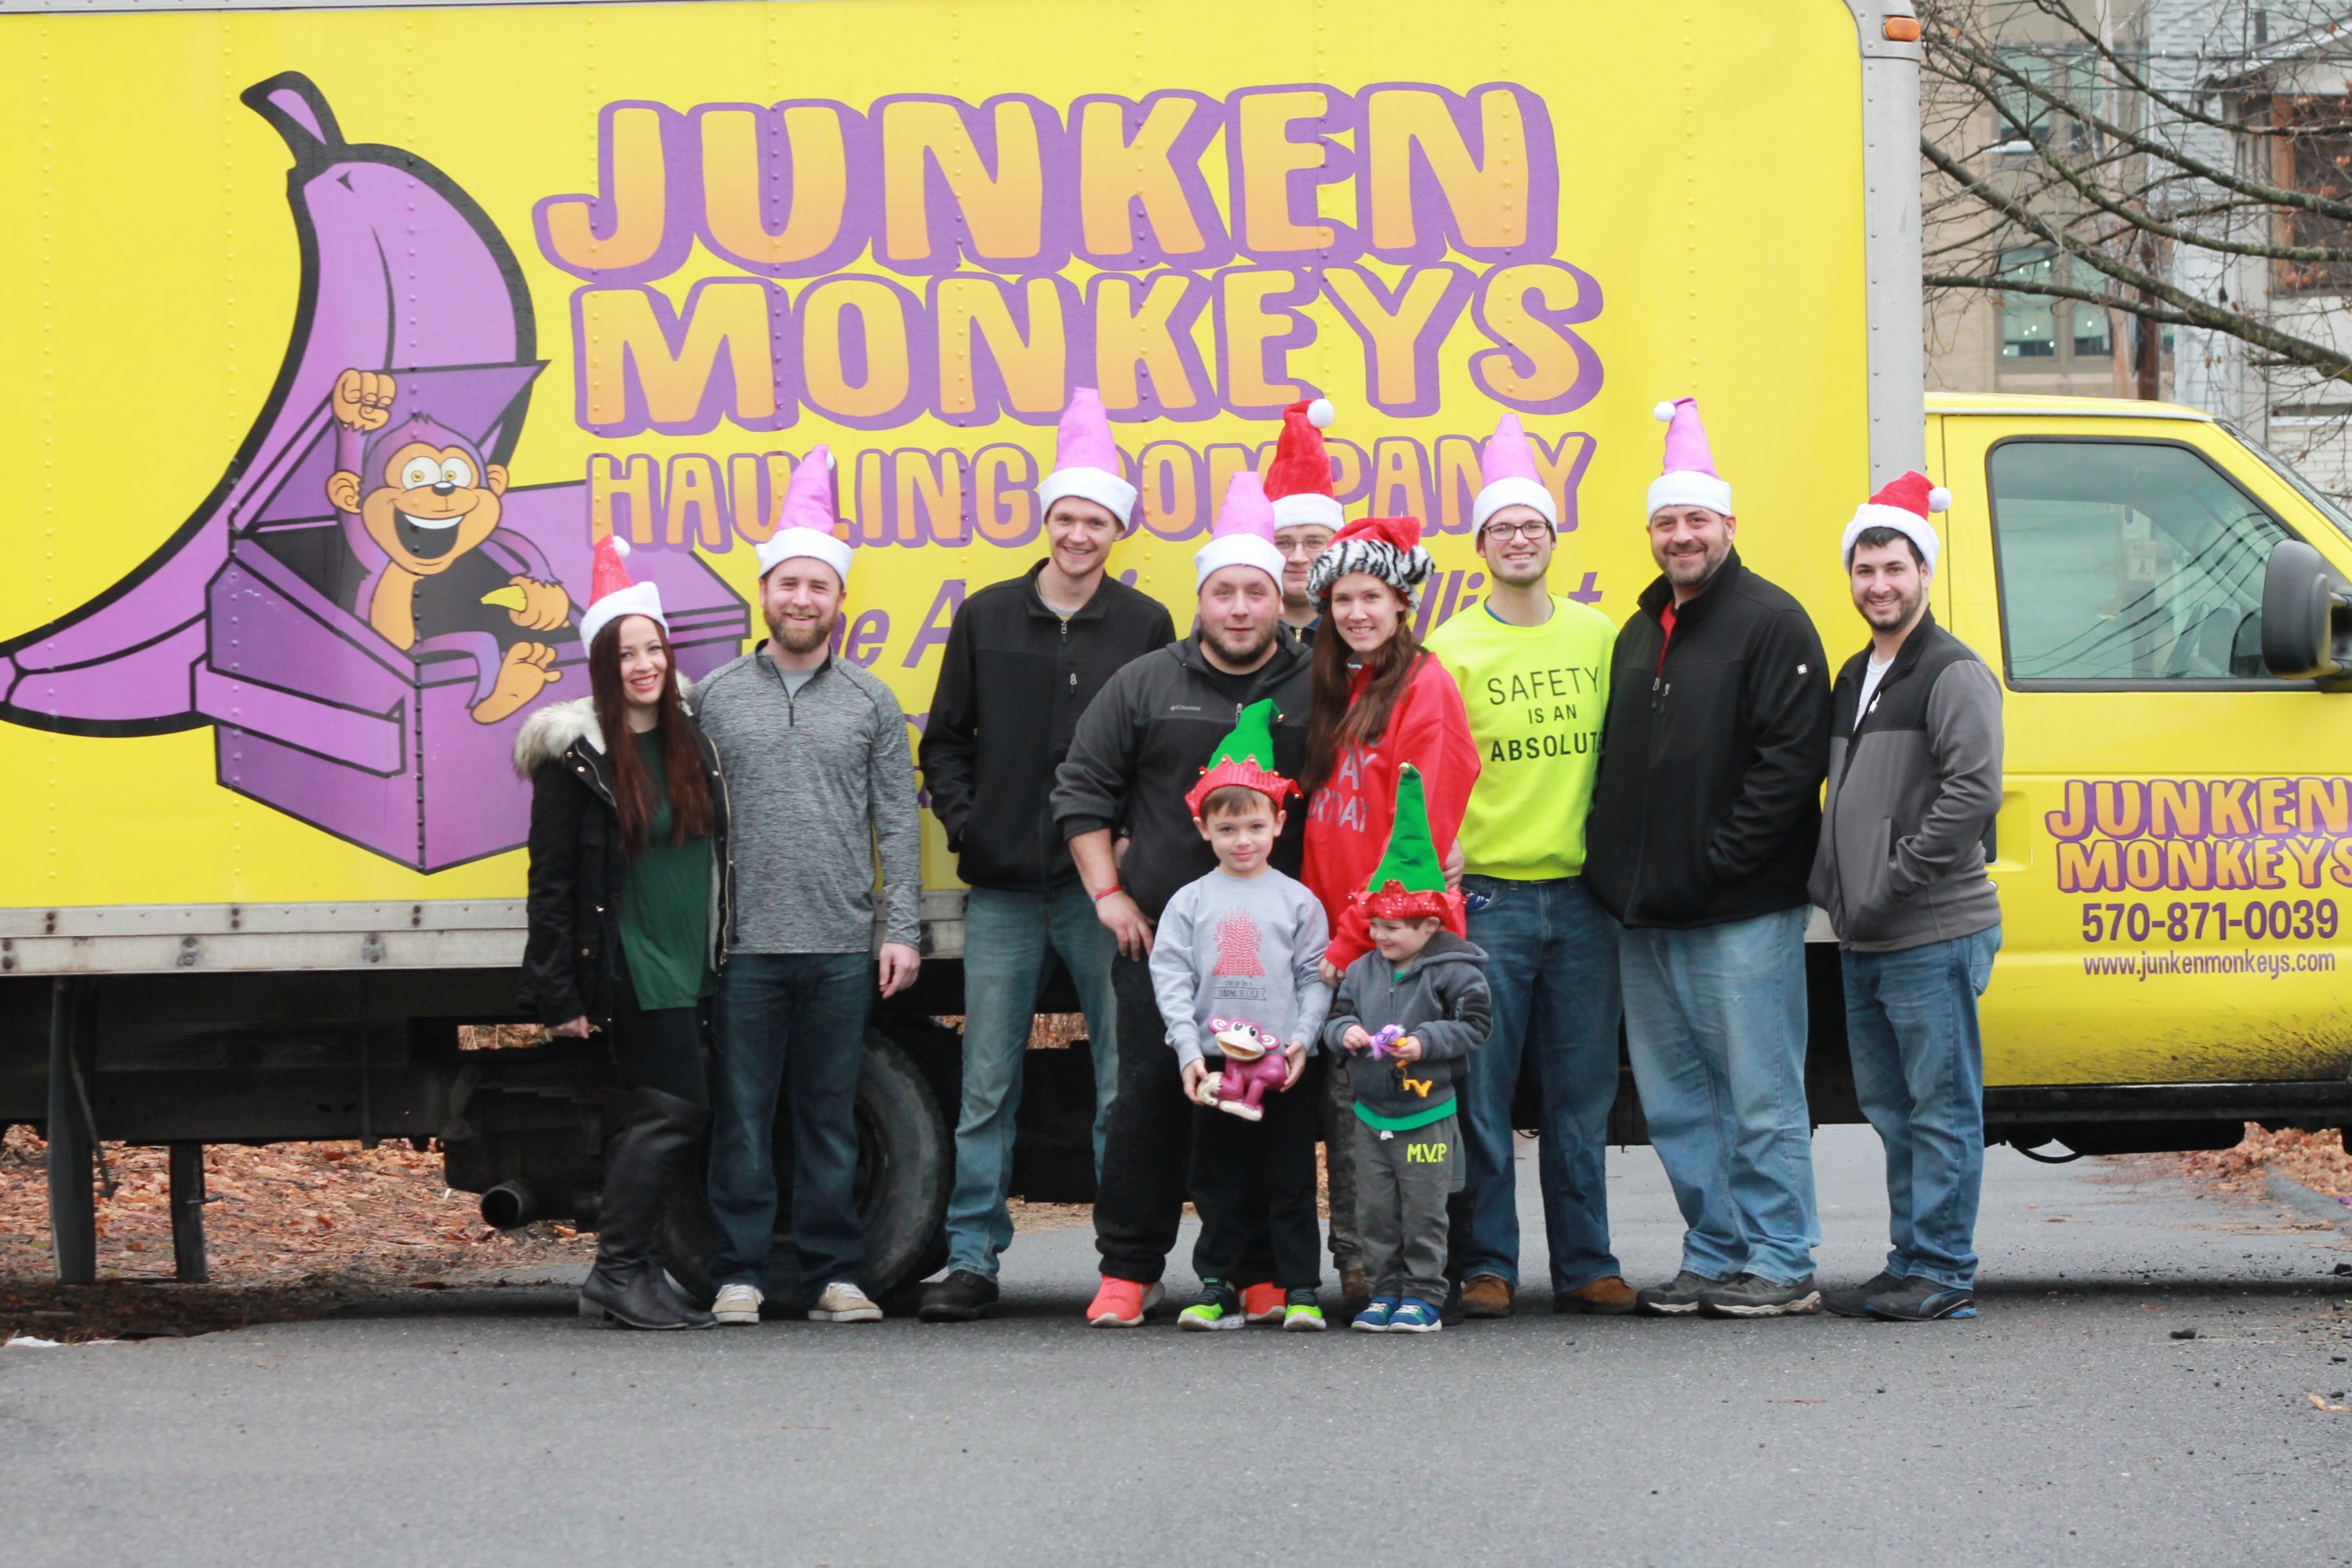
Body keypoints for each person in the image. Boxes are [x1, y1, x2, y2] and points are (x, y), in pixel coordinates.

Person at [916, 390, 1176, 1323]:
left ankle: (1121, 1261)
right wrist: (969, 824)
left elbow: (1160, 749)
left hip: (1099, 890)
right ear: (1048, 519)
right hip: (1001, 889)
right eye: (1066, 517)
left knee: (1121, 1079)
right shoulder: (985, 615)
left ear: (1116, 528)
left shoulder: (1146, 625)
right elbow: (943, 741)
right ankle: (972, 1256)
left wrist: (1131, 854)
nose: (1078, 533)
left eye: (1095, 520)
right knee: (988, 1080)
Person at [1584, 397, 1832, 1319]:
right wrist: (1618, 873)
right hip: (1645, 912)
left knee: (1759, 1091)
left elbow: (1788, 766)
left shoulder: (1773, 622)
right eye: (1665, 521)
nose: (1680, 535)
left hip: (1740, 908)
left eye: (1696, 519)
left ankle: (1780, 1255)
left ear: (1729, 524)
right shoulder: (1640, 629)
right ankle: (1716, 1248)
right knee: (1678, 1099)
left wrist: (1714, 862)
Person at [1053, 470, 1315, 1327]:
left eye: (1256, 591)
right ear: (1200, 598)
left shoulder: (1319, 684)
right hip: (1166, 941)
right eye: (1223, 591)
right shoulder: (1141, 681)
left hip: (1281, 947)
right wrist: (1108, 896)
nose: (1240, 607)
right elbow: (1082, 791)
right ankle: (1130, 1268)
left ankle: (1258, 1273)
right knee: (1152, 1103)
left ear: (1278, 598)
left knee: (1263, 1111)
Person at [695, 448, 923, 1327]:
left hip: (838, 947)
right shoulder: (713, 696)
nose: (802, 598)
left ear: (838, 600)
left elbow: (898, 823)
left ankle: (836, 1273)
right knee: (744, 1117)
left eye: (818, 586)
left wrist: (899, 927)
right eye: (788, 582)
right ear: (765, 592)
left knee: (828, 1115)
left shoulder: (869, 700)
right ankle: (739, 1272)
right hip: (744, 948)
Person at [1425, 413, 1628, 1319]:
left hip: (1585, 900)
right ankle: (1488, 1263)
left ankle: (1587, 1263)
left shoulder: (1599, 636)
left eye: (1533, 525)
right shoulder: (1450, 649)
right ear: (1481, 545)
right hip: (1490, 899)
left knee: (1583, 1098)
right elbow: (1421, 767)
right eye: (1503, 526)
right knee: (1485, 1096)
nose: (1518, 538)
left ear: (1552, 538)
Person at [517, 535, 727, 1330]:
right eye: (626, 653)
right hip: (635, 959)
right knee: (675, 1110)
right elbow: (553, 882)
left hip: (693, 955)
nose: (644, 665)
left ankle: (636, 1270)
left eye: (653, 648)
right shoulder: (576, 758)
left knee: (666, 1112)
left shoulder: (690, 740)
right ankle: (616, 1271)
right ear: (602, 666)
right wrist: (557, 991)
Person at [1809, 474, 2003, 1323]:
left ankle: (1946, 1270)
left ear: (1923, 570)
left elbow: (1973, 791)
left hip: (1927, 927)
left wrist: (1892, 879)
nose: (1879, 583)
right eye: (1865, 569)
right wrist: (1834, 885)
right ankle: (1910, 1259)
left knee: (1942, 1107)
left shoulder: (1952, 672)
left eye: (1894, 566)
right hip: (1867, 933)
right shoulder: (1858, 671)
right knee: (1893, 1108)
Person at [1149, 702, 1333, 1331]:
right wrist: (1188, 1052)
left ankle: (1300, 1288)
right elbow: (1170, 975)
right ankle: (1216, 1285)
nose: (1242, 841)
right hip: (1220, 1064)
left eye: (1255, 826)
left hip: (1279, 1061)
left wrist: (1305, 1039)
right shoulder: (1189, 902)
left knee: (1289, 1178)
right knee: (1218, 1179)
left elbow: (1314, 976)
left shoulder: (1298, 901)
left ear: (1279, 821)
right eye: (1227, 830)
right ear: (1203, 830)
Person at [1323, 767, 1492, 1335]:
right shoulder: (1363, 969)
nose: (1382, 938)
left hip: (1425, 1115)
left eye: (1396, 928)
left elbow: (1474, 1025)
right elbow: (1338, 1013)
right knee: (1376, 1211)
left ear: (1429, 922)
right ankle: (1383, 1289)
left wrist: (1423, 1042)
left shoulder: (1456, 970)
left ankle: (1425, 1293)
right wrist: (1342, 1033)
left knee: (1423, 1209)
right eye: (1375, 926)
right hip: (1372, 1116)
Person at [1267, 397, 1343, 637]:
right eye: (1284, 543)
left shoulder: (1363, 638)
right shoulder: (1236, 640)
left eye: (1313, 542)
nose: (1298, 558)